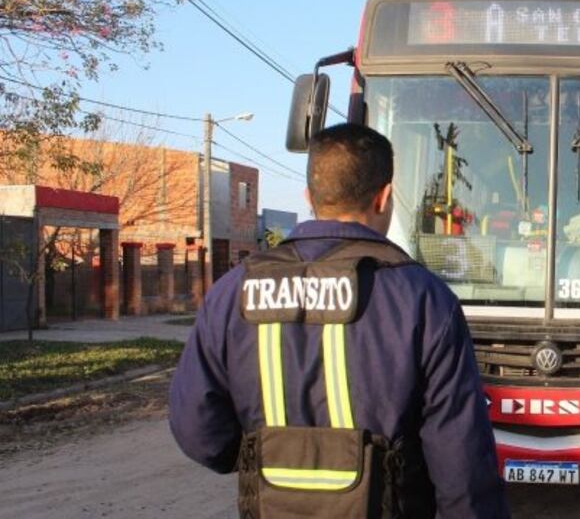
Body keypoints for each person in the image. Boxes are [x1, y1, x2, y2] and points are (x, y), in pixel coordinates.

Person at [169, 123, 509, 518]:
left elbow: (197, 429)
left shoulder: (231, 292)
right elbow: (461, 461)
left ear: (309, 197)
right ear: (384, 198)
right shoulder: (425, 299)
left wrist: (263, 456)